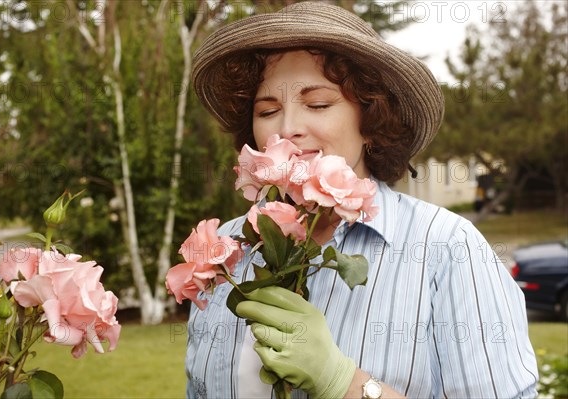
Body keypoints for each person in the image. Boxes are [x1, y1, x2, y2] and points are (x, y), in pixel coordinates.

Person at [186, 2, 538, 398]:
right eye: (268, 110)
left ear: (370, 120)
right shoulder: (225, 253)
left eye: (318, 104)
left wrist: (342, 381)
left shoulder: (448, 249)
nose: (287, 129)